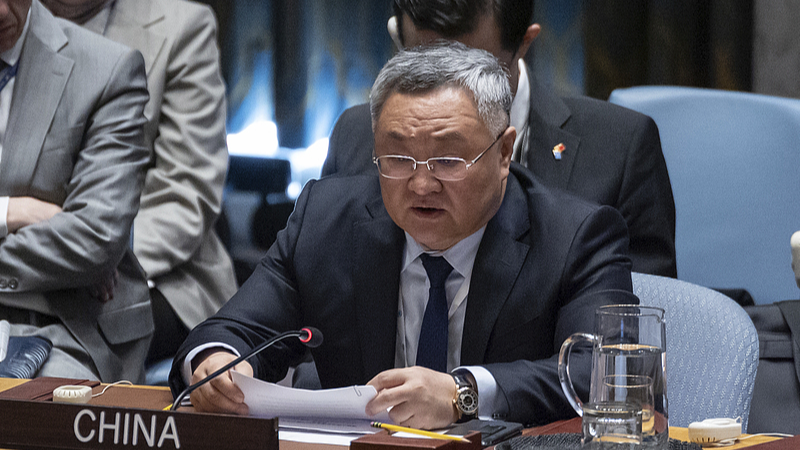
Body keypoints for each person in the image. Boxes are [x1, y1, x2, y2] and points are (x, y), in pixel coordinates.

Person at [169, 42, 634, 428]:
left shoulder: (576, 236)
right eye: (397, 159)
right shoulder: (326, 220)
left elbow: (605, 371)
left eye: (448, 160)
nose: (421, 184)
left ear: (503, 153)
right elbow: (232, 331)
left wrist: (462, 392)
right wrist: (218, 363)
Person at [321, 0, 677, 278]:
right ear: (398, 40)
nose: (446, 93)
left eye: (474, 70)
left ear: (524, 42)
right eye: (423, 66)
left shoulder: (620, 149)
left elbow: (634, 325)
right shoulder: (356, 136)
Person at [40, 0, 238, 364]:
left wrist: (86, 257)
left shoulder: (183, 26)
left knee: (63, 332)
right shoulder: (13, 20)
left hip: (155, 271)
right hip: (26, 255)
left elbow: (186, 194)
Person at [0, 0, 152, 382]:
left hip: (66, 326)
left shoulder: (107, 69)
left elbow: (93, 240)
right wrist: (10, 212)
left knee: (37, 408)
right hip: (52, 287)